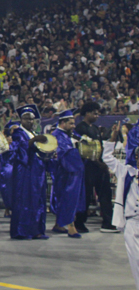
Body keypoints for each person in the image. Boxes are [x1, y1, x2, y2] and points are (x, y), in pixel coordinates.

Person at [102, 123, 139, 289]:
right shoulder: (126, 171)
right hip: (132, 222)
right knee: (135, 260)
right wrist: (112, 137)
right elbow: (107, 157)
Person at [74, 102, 117, 233]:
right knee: (86, 196)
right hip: (87, 167)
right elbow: (85, 150)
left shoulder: (95, 128)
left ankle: (108, 222)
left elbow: (99, 148)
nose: (97, 115)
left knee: (105, 194)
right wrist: (99, 163)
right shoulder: (81, 128)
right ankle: (79, 223)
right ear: (87, 113)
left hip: (99, 167)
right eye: (95, 113)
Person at [9, 104, 49, 240]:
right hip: (25, 171)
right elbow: (20, 150)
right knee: (24, 200)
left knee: (37, 200)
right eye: (26, 119)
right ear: (21, 120)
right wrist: (34, 141)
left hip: (37, 172)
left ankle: (37, 230)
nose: (30, 122)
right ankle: (22, 231)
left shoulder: (34, 133)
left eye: (32, 119)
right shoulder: (18, 133)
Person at [50, 110, 86, 238]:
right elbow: (64, 154)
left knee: (64, 198)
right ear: (63, 123)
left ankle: (58, 224)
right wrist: (77, 149)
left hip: (71, 171)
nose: (73, 126)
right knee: (68, 198)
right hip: (65, 172)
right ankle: (71, 227)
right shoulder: (57, 135)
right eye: (71, 124)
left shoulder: (69, 134)